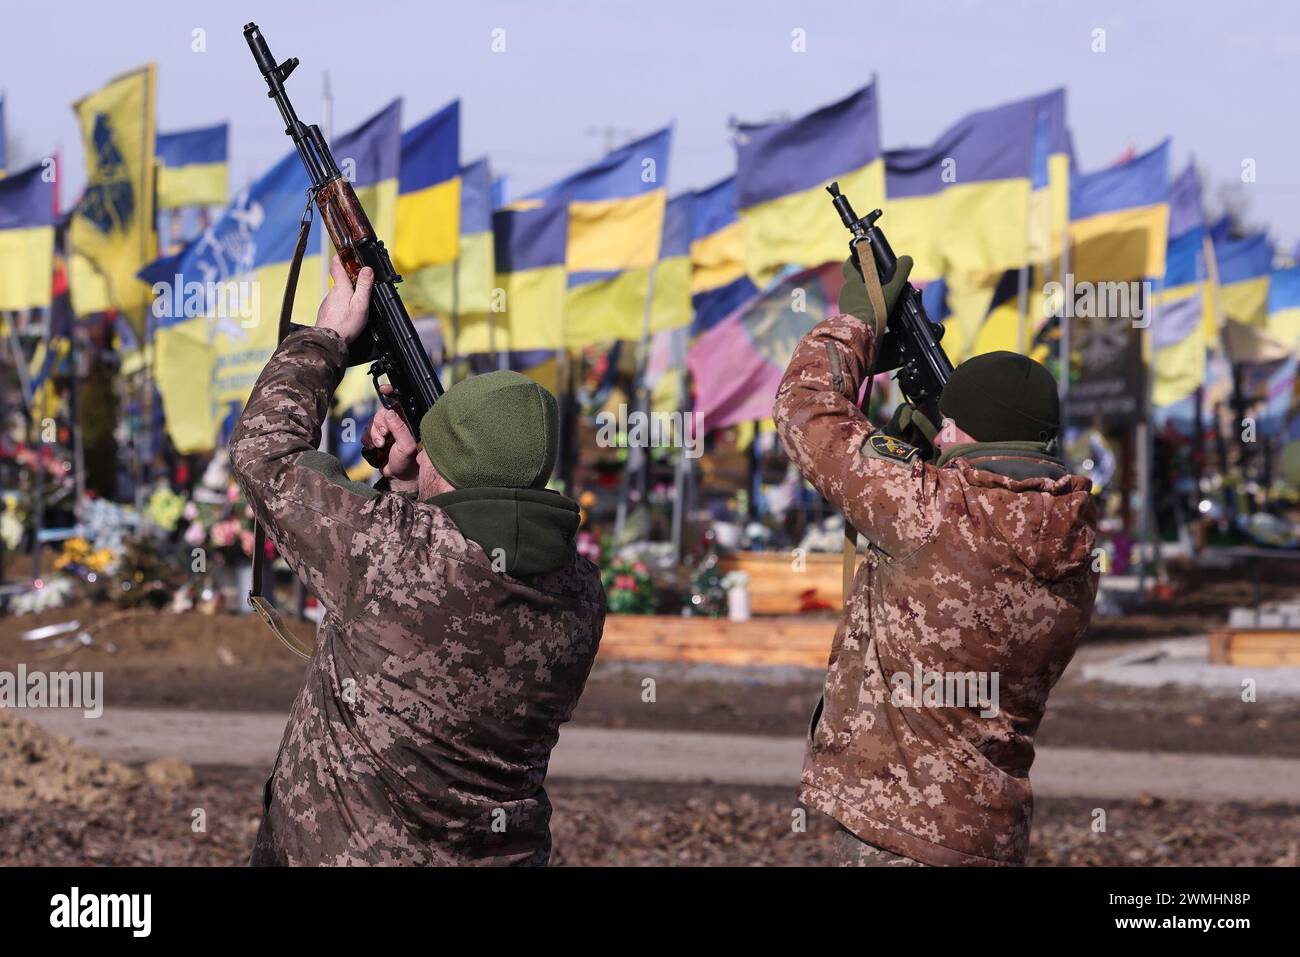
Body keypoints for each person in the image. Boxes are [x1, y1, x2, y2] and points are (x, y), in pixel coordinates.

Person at [231, 257, 607, 866]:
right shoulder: (580, 591)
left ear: (445, 462)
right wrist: (412, 487)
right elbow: (443, 579)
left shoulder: (394, 552)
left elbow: (264, 454)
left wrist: (324, 339)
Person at [773, 255, 1099, 867]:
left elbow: (806, 409)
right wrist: (928, 451)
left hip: (898, 830)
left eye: (950, 426)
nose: (940, 437)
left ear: (977, 437)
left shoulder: (929, 510)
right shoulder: (1076, 549)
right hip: (990, 832)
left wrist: (857, 321)